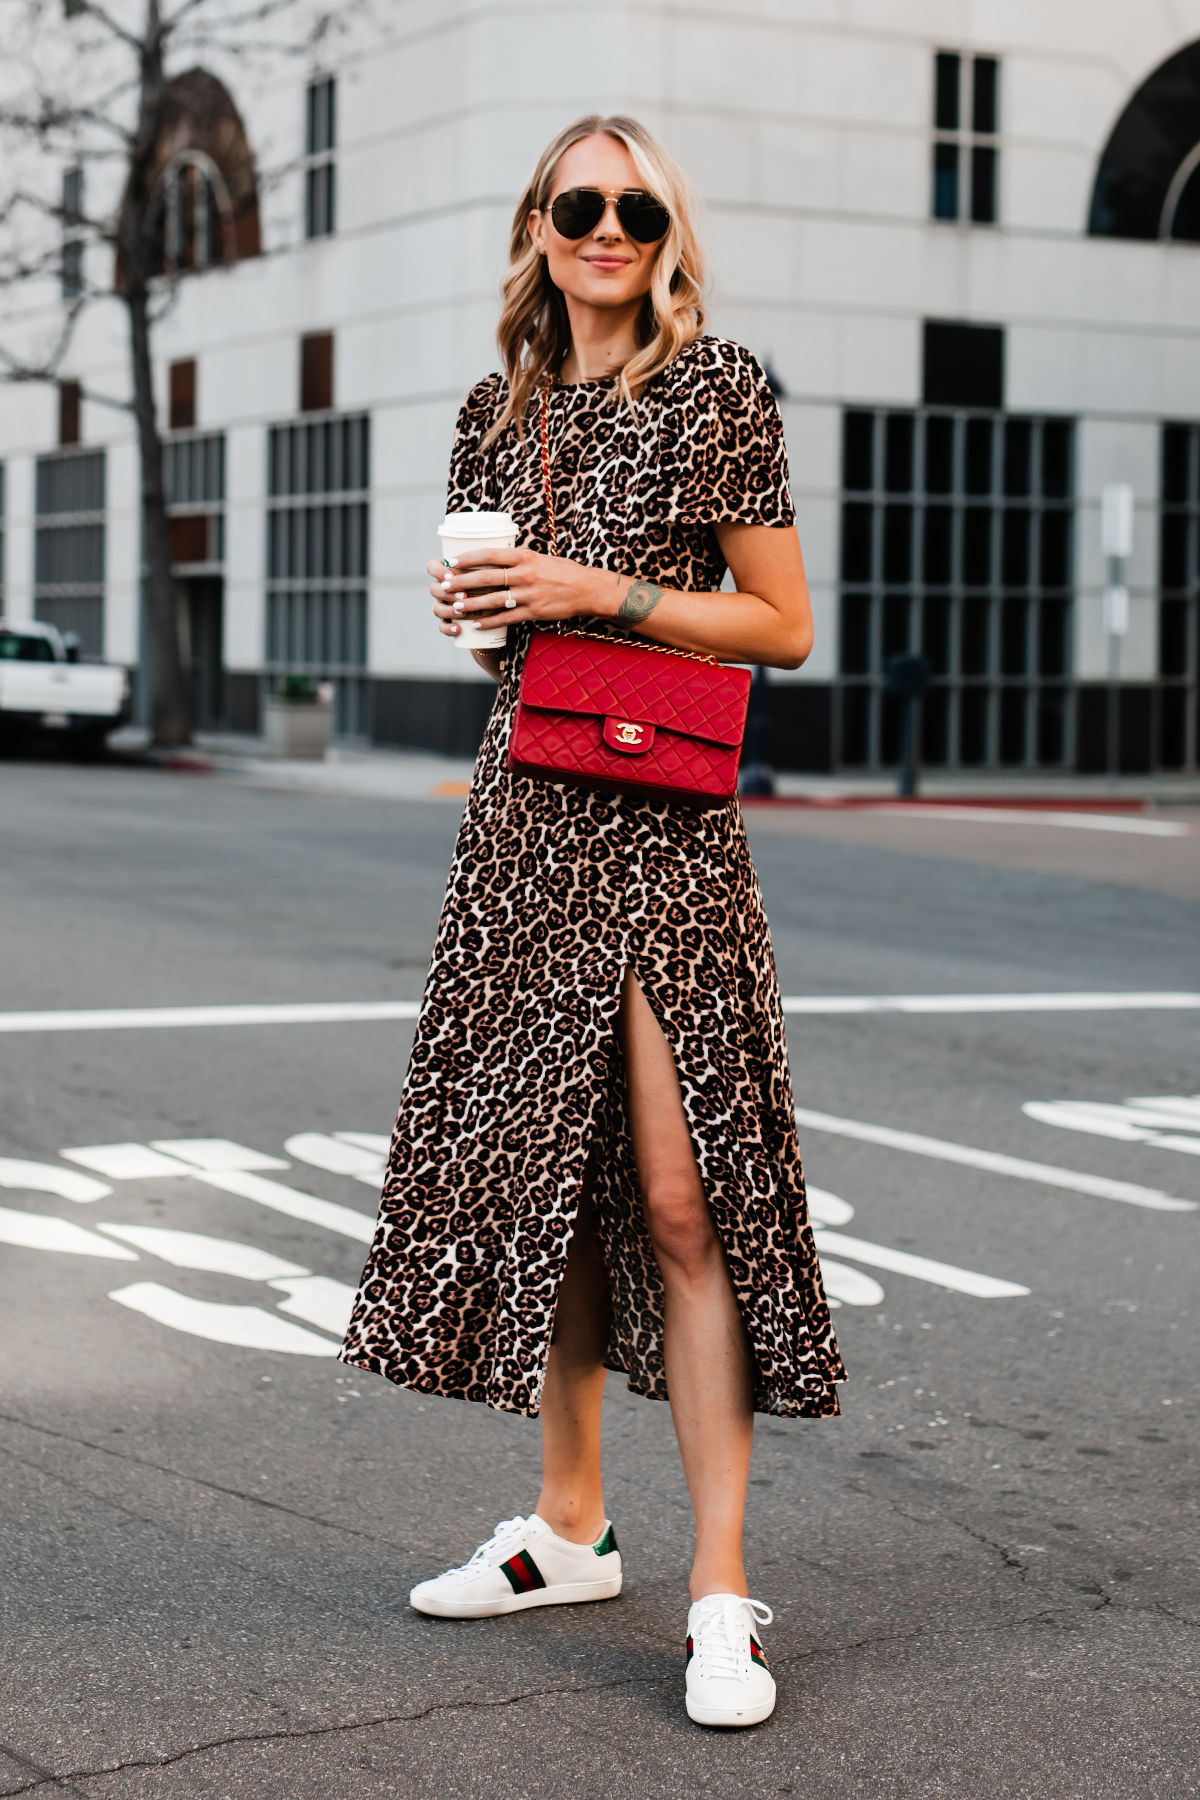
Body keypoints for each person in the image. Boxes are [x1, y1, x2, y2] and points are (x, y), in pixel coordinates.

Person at [340, 113, 845, 1730]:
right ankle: (569, 1525)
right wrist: (486, 614)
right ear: (541, 225)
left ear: (664, 229)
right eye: (582, 202)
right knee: (540, 1179)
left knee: (687, 1200)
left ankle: (718, 1587)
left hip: (670, 835)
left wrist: (594, 593)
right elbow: (510, 657)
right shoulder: (499, 414)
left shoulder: (720, 387)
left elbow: (783, 622)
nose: (609, 225)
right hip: (530, 823)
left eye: (637, 205)